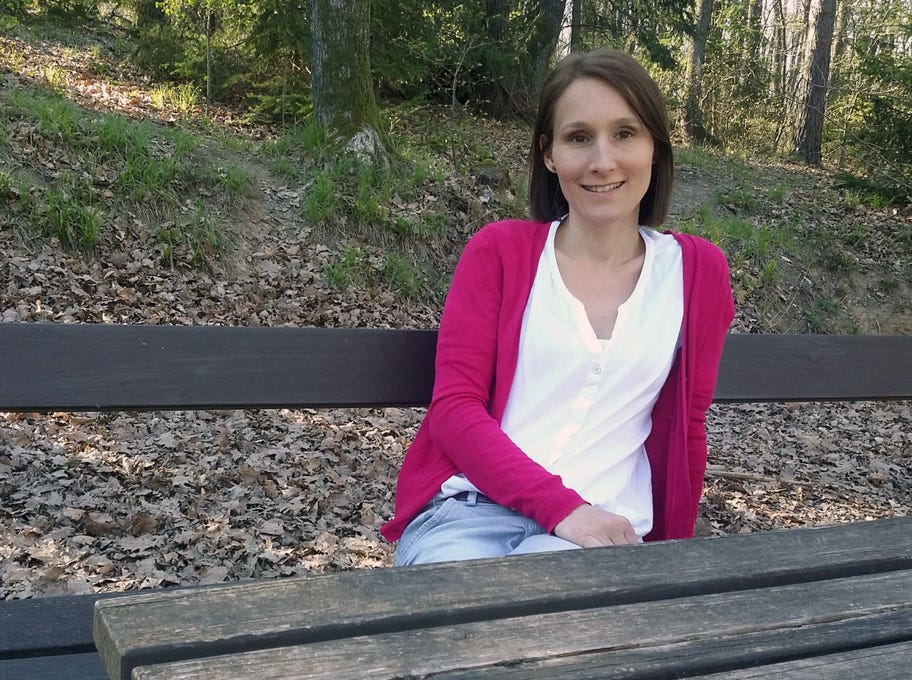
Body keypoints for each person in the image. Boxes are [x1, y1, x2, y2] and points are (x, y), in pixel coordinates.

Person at [381, 48, 735, 565]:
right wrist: (562, 508)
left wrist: (670, 564)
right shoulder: (499, 252)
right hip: (471, 515)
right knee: (464, 611)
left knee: (549, 615)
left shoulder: (696, 272)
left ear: (655, 147)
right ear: (550, 154)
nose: (602, 161)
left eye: (625, 133)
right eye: (579, 137)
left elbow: (688, 430)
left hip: (605, 534)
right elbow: (455, 411)